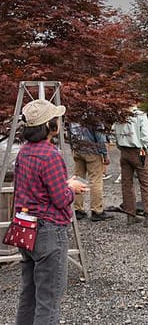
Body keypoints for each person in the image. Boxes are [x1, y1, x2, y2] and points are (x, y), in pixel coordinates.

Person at [13, 99, 88, 324]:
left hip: (24, 227)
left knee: (29, 294)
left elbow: (29, 189)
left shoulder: (24, 152)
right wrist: (71, 188)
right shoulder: (51, 154)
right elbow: (60, 198)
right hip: (48, 230)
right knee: (49, 299)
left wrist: (62, 185)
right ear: (48, 126)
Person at [112, 105, 148, 227]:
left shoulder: (119, 116)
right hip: (138, 151)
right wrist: (146, 149)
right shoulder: (139, 115)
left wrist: (120, 146)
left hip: (124, 151)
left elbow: (113, 133)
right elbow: (145, 135)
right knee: (146, 183)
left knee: (126, 184)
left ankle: (130, 214)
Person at [68, 120, 113, 221]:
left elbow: (69, 133)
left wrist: (73, 148)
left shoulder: (74, 114)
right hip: (92, 150)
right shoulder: (93, 115)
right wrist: (105, 154)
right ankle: (97, 210)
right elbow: (100, 136)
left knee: (78, 179)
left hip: (78, 149)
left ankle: (77, 209)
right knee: (95, 180)